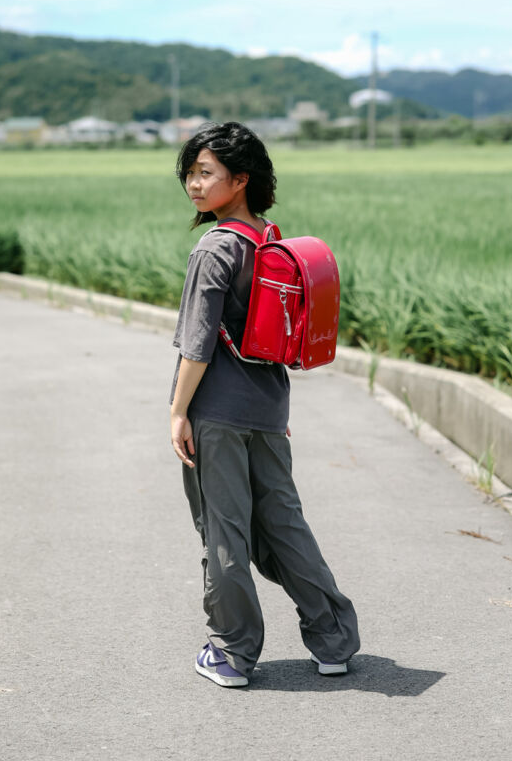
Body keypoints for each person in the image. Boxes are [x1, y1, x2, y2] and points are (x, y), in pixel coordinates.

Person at [170, 121, 360, 689]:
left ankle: (231, 654)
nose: (194, 185)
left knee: (225, 531)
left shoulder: (214, 248)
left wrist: (179, 412)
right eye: (190, 173)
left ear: (240, 179)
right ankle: (333, 642)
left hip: (218, 416)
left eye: (206, 173)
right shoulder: (270, 241)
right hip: (270, 411)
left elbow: (197, 345)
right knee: (283, 525)